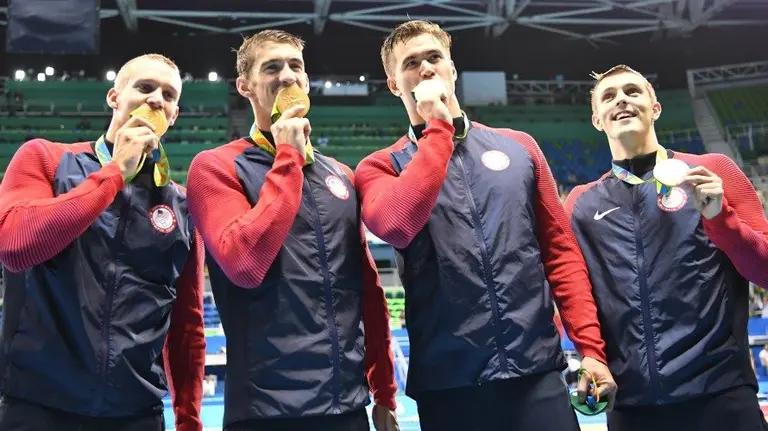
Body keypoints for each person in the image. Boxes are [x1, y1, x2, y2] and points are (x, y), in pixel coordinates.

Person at [354, 20, 617, 431]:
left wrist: (591, 348)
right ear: (393, 84)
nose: (425, 68)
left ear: (452, 69)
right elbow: (396, 225)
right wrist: (437, 128)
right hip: (450, 384)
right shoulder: (380, 166)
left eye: (434, 57)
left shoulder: (519, 146)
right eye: (411, 63)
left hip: (536, 373)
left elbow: (560, 253)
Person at [186, 30, 399, 431]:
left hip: (348, 408)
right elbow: (244, 263)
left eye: (295, 66)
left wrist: (384, 391)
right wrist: (286, 156)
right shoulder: (215, 168)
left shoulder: (341, 174)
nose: (287, 76)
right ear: (244, 85)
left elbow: (368, 291)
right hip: (267, 412)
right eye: (272, 67)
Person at [0, 53, 206, 431]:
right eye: (144, 87)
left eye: (168, 94)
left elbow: (186, 326)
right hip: (39, 408)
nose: (156, 99)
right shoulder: (45, 159)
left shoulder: (182, 205)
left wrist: (188, 419)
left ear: (174, 115)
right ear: (114, 97)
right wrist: (114, 174)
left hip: (136, 415)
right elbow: (15, 246)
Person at [564, 64, 768, 431]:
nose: (621, 99)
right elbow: (574, 293)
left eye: (632, 91)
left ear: (655, 107)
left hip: (721, 396)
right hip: (633, 406)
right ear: (597, 119)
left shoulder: (711, 171)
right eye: (609, 96)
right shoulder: (581, 204)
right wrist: (591, 355)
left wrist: (722, 220)